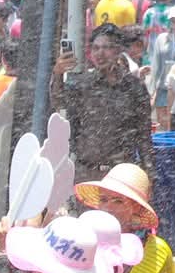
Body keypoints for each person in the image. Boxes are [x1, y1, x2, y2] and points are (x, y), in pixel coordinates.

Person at [54, 24, 155, 183]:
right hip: (87, 173)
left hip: (121, 174)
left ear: (118, 51)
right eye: (95, 48)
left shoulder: (134, 87)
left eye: (106, 48)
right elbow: (58, 102)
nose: (100, 54)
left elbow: (144, 136)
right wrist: (58, 74)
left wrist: (148, 175)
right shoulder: (82, 85)